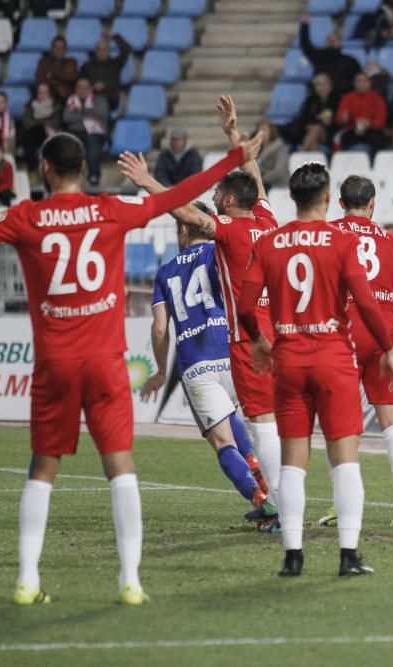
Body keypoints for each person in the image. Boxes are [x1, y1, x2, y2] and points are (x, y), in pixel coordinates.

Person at [1, 131, 263, 606]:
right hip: (105, 362)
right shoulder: (109, 210)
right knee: (120, 468)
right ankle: (130, 581)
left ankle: (27, 579)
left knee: (42, 468)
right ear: (86, 168)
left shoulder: (27, 217)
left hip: (54, 364)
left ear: (43, 170)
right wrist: (233, 157)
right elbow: (181, 198)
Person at [118, 97, 283, 531]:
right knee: (265, 424)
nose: (213, 197)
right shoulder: (267, 219)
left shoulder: (220, 236)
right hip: (266, 337)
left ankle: (275, 503)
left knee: (230, 438)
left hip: (223, 351)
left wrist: (148, 181)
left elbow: (186, 211)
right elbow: (256, 182)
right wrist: (233, 135)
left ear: (228, 201)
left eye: (217, 194)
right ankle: (279, 502)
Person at [237, 163, 393, 578]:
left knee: (294, 461)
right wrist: (386, 347)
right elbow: (365, 302)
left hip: (288, 360)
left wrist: (258, 339)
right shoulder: (341, 241)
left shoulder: (271, 242)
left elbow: (244, 304)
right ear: (328, 198)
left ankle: (293, 555)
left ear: (292, 198)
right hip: (332, 359)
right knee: (345, 460)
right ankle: (348, 555)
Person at [141, 205, 275, 522]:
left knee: (222, 442)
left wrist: (161, 371)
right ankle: (269, 487)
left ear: (184, 229)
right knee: (254, 426)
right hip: (231, 348)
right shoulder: (220, 254)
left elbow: (160, 329)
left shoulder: (165, 272)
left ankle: (260, 497)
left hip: (195, 363)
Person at [318, 175, 393, 528]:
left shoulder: (329, 233)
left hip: (341, 334)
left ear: (340, 203)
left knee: (338, 421)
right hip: (383, 336)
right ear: (373, 203)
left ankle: (340, 504)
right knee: (391, 420)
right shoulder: (391, 241)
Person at [62, 77, 109, 187]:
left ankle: (94, 175)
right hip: (75, 131)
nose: (82, 90)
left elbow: (102, 114)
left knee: (93, 143)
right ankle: (69, 178)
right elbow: (67, 118)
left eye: (85, 87)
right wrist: (88, 114)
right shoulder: (71, 101)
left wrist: (80, 111)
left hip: (96, 132)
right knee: (67, 145)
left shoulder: (100, 100)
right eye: (79, 87)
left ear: (91, 88)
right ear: (75, 89)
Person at [299, 15, 361, 95]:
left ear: (340, 42)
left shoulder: (350, 61)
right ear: (325, 42)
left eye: (335, 40)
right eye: (329, 40)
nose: (331, 42)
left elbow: (358, 80)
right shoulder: (318, 56)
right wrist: (305, 25)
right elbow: (305, 44)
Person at [334, 72, 387, 155]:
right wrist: (344, 119)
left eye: (365, 81)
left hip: (372, 130)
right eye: (359, 81)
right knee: (344, 139)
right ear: (354, 84)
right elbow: (339, 119)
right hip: (352, 130)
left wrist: (369, 124)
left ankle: (374, 164)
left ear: (369, 83)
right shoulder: (347, 98)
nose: (362, 84)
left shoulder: (377, 98)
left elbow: (381, 120)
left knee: (379, 140)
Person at [79, 30, 132, 111]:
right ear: (95, 51)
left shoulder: (115, 64)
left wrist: (114, 36)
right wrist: (93, 87)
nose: (102, 52)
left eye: (105, 49)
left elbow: (127, 49)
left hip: (110, 100)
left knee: (101, 104)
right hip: (91, 100)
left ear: (109, 51)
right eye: (99, 49)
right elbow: (80, 83)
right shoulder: (87, 66)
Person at [293, 73, 340, 153]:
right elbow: (303, 118)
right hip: (310, 132)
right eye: (318, 85)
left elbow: (333, 121)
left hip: (330, 133)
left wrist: (317, 122)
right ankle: (312, 164)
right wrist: (310, 125)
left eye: (324, 84)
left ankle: (301, 154)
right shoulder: (310, 100)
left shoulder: (337, 100)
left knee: (316, 129)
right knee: (314, 144)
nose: (322, 87)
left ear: (330, 85)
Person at [20, 82, 62, 172]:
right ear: (36, 93)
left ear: (50, 93)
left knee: (31, 135)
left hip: (50, 133)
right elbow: (27, 123)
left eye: (45, 92)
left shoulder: (56, 106)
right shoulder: (30, 106)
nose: (42, 95)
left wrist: (39, 122)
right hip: (33, 134)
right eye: (40, 92)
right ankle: (32, 170)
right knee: (29, 137)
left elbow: (56, 123)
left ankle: (35, 170)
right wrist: (43, 122)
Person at [35, 36, 78, 101]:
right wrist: (58, 86)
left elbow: (72, 77)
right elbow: (39, 78)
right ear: (52, 49)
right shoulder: (44, 62)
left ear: (65, 49)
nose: (59, 50)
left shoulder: (71, 62)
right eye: (56, 47)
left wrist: (52, 75)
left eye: (61, 48)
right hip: (49, 96)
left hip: (67, 97)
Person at [255, 119, 289, 190]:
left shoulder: (280, 148)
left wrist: (260, 179)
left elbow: (279, 171)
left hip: (278, 186)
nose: (261, 133)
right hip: (263, 185)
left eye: (264, 130)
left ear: (271, 131)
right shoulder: (258, 148)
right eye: (259, 130)